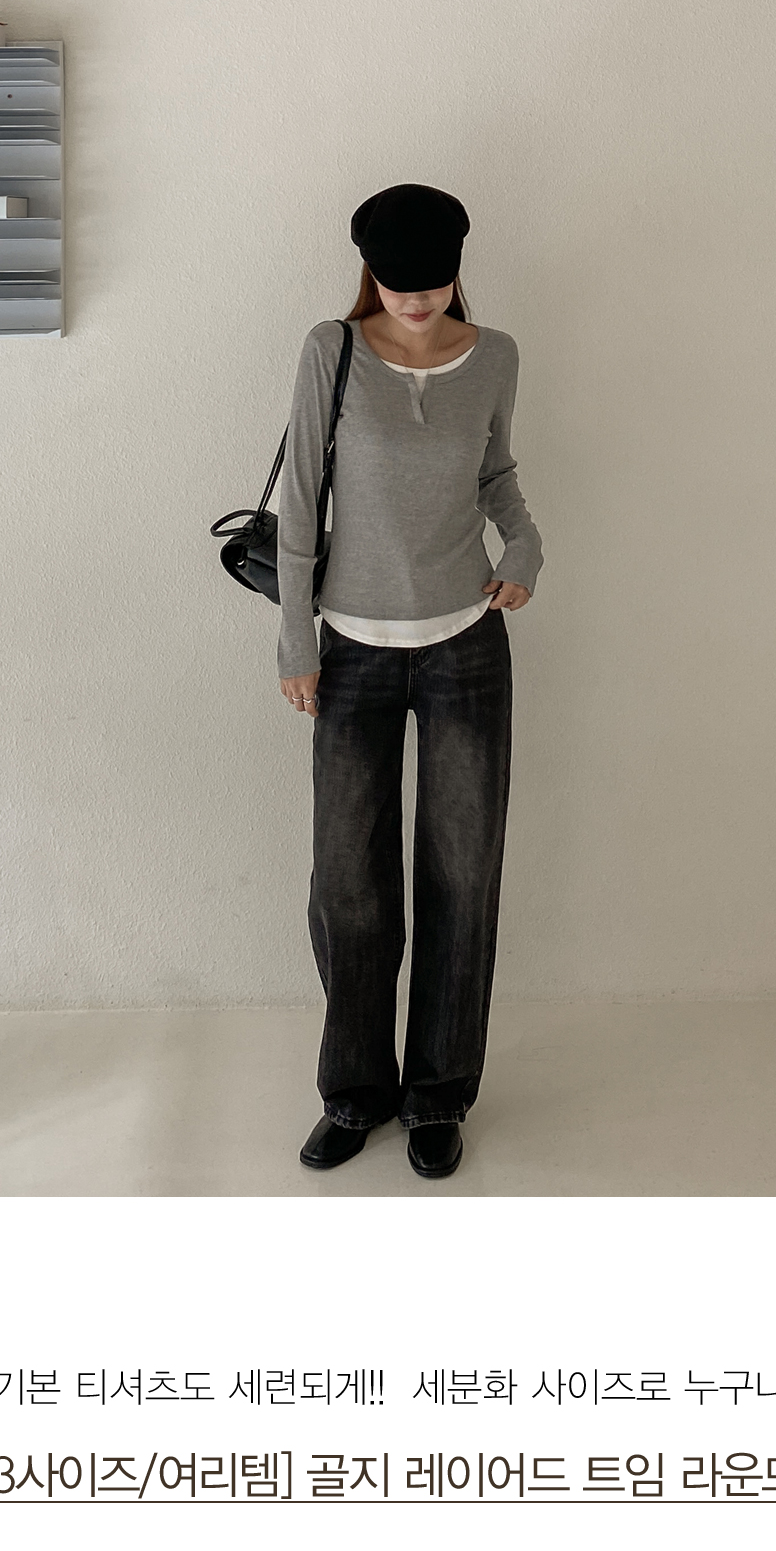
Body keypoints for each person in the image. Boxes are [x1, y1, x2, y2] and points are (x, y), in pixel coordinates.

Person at [276, 183, 543, 1179]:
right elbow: (302, 493)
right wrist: (294, 638)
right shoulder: (331, 350)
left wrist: (525, 541)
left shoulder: (496, 355)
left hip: (466, 642)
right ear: (370, 273)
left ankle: (438, 1094)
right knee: (348, 883)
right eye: (398, 284)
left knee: (462, 876)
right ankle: (354, 1091)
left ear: (456, 270)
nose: (417, 300)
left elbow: (495, 472)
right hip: (350, 648)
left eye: (433, 283)